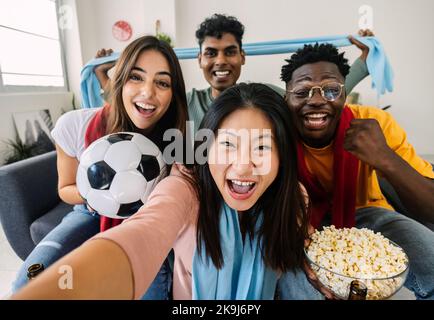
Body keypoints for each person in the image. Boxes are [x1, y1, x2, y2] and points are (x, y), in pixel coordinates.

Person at [12, 83, 311, 300]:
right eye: (228, 145)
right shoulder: (186, 188)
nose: (243, 167)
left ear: (283, 155)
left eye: (261, 147)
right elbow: (141, 234)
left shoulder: (292, 199)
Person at [12, 35, 189, 300]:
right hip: (89, 213)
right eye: (136, 77)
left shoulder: (180, 139)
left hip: (145, 221)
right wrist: (99, 195)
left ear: (173, 93)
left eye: (162, 82)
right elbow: (65, 189)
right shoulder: (75, 125)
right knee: (26, 284)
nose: (148, 93)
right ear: (119, 81)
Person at [277, 43, 434, 300]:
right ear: (286, 97)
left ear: (344, 94)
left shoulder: (375, 125)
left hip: (366, 218)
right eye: (302, 91)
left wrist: (384, 158)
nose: (316, 100)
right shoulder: (275, 132)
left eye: (330, 90)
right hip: (297, 225)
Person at [187, 14, 373, 133]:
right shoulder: (185, 102)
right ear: (199, 60)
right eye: (211, 53)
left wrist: (366, 58)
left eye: (230, 52)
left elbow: (317, 95)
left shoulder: (261, 97)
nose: (220, 61)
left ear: (242, 57)